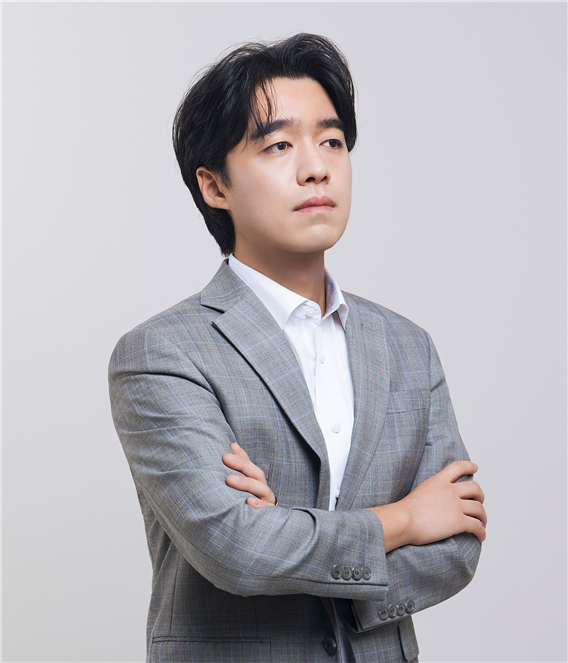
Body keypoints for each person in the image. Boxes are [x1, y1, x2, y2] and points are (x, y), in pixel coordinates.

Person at [109, 33, 486, 663]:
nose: (316, 167)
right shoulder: (161, 353)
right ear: (214, 185)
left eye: (332, 141)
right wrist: (405, 520)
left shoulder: (406, 347)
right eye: (279, 145)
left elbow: (458, 545)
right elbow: (237, 548)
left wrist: (287, 533)